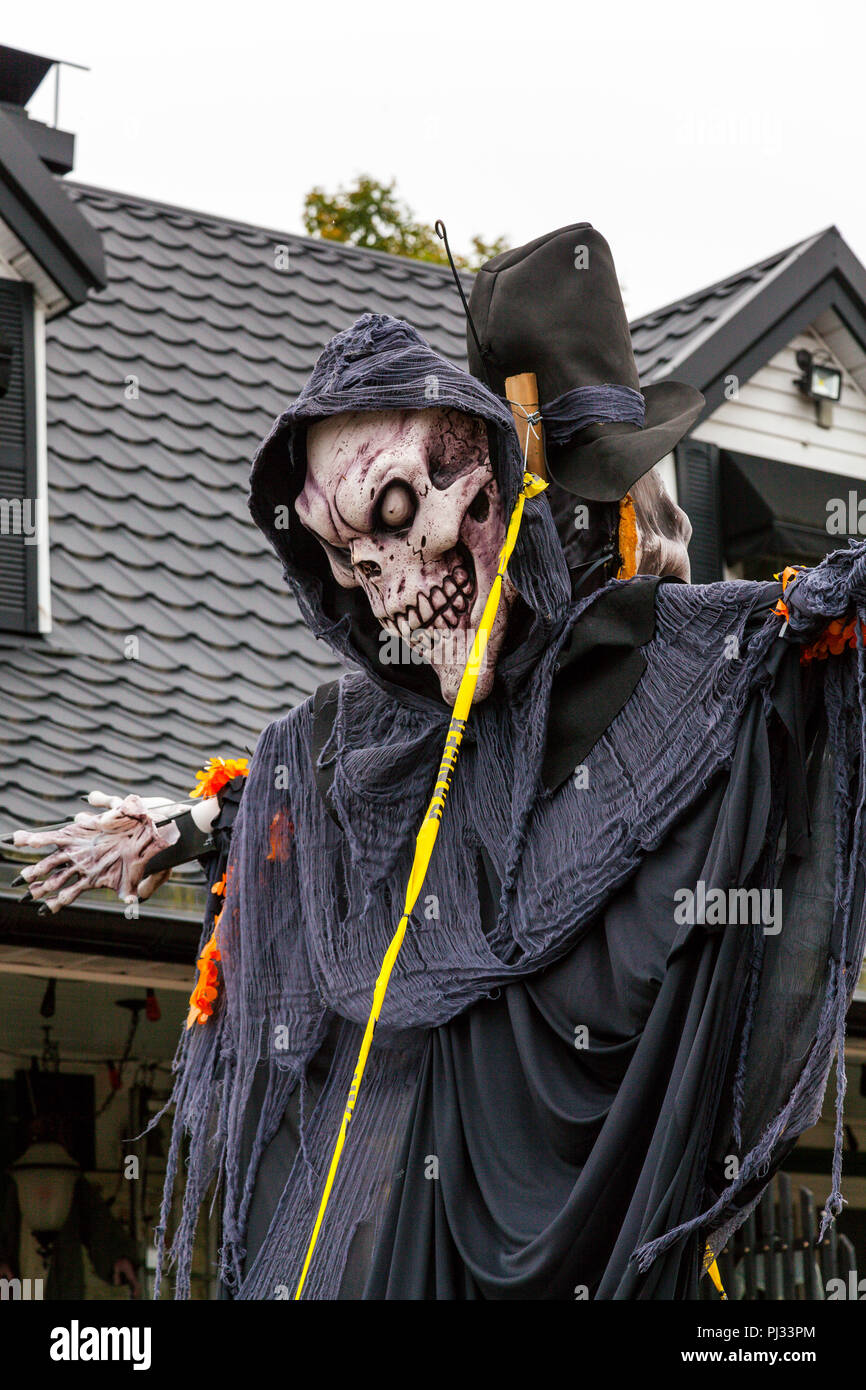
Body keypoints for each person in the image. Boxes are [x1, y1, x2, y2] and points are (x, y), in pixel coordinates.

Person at [13, 227, 866, 1300]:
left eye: (392, 523)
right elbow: (299, 784)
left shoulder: (689, 658)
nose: (377, 584)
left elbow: (789, 639)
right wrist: (182, 825)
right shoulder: (402, 725)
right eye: (345, 559)